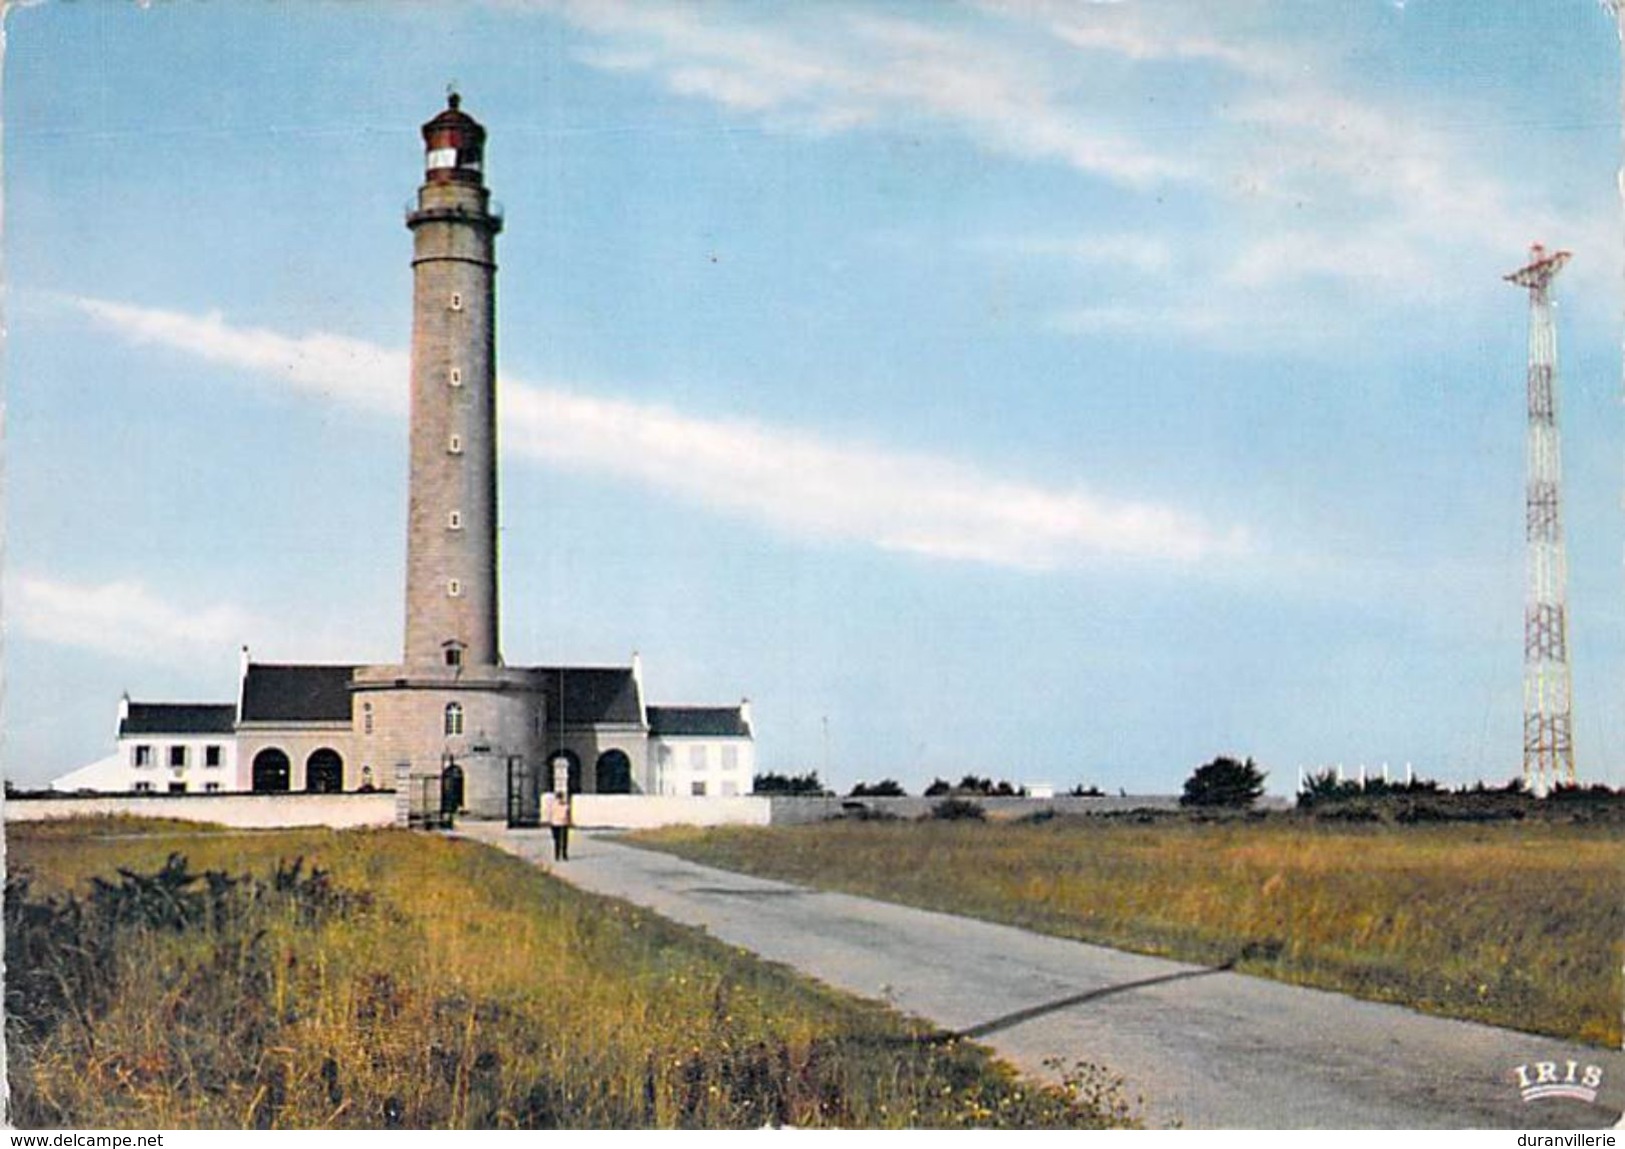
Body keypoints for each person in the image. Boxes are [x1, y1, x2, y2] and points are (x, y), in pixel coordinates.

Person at [548, 790, 571, 862]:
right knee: (557, 840)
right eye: (559, 797)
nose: (560, 799)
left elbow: (568, 814)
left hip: (563, 823)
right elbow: (551, 814)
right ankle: (558, 855)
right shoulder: (554, 805)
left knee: (563, 840)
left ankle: (563, 854)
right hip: (556, 823)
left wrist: (569, 821)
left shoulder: (566, 805)